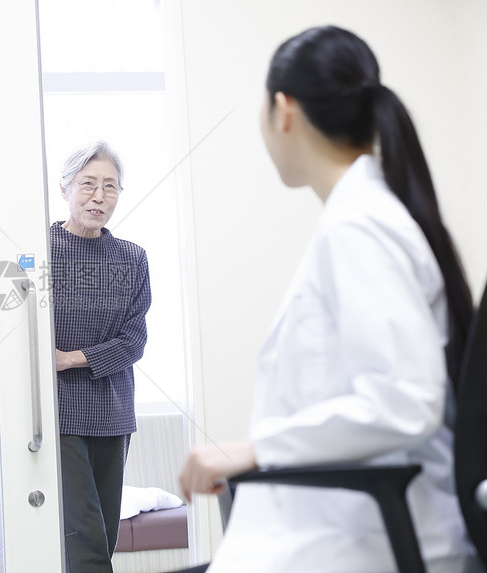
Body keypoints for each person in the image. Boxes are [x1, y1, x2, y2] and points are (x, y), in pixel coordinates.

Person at [177, 26, 480, 573]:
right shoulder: (365, 215)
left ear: (283, 110)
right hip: (351, 529)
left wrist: (257, 448)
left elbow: (407, 399)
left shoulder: (359, 226)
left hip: (362, 541)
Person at [50, 140, 152, 572]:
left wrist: (71, 358)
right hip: (58, 415)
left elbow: (134, 342)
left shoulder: (132, 258)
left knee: (102, 539)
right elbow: (3, 320)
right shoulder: (37, 249)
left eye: (110, 187)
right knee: (85, 540)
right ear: (65, 188)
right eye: (88, 184)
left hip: (112, 415)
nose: (98, 196)